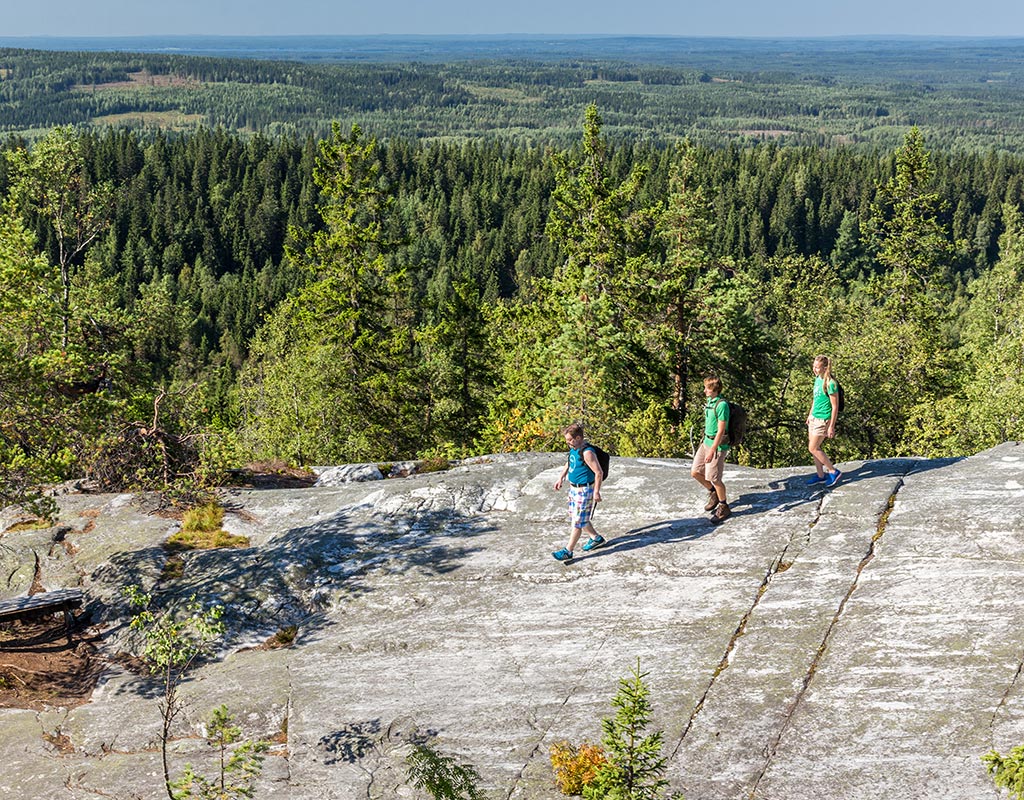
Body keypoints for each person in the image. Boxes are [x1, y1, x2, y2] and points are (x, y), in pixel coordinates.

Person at [552, 423, 604, 561]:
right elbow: (570, 462)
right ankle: (596, 538)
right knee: (578, 517)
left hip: (584, 490)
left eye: (570, 440)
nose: (568, 443)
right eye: (567, 440)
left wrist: (596, 492)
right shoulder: (574, 449)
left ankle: (568, 551)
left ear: (579, 437)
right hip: (574, 488)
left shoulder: (587, 452)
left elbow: (599, 472)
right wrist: (561, 477)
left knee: (577, 522)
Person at [692, 375, 731, 524]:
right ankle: (713, 493)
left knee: (715, 478)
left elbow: (721, 430)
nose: (704, 391)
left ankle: (723, 506)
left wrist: (712, 449)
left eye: (707, 388)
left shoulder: (722, 405)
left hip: (717, 445)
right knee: (695, 472)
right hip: (706, 442)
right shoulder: (710, 402)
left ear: (715, 389)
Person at [806, 355, 842, 487]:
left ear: (825, 368)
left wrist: (831, 426)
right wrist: (810, 414)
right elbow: (815, 399)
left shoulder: (830, 383)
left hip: (823, 419)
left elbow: (835, 406)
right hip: (814, 417)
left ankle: (833, 471)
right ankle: (820, 475)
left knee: (813, 448)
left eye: (817, 367)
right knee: (814, 448)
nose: (814, 369)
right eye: (814, 366)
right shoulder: (817, 379)